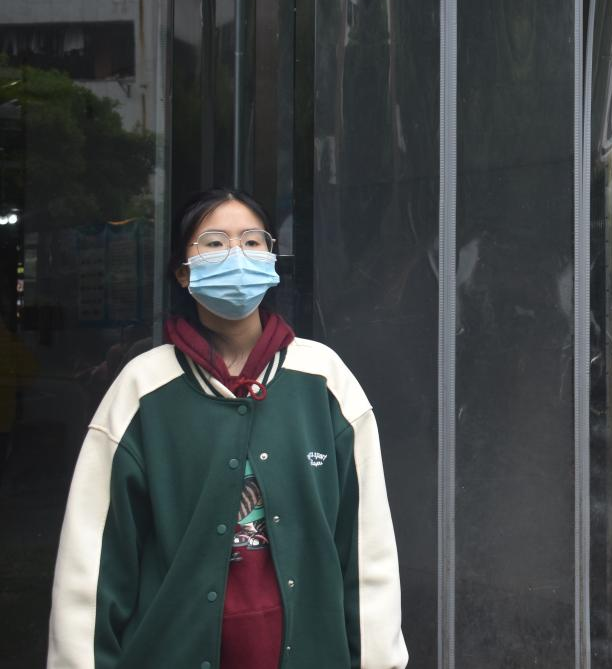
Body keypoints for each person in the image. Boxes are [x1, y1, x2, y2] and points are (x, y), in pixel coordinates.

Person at [48, 188, 408, 669]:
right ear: (183, 271)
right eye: (215, 243)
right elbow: (91, 561)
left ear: (272, 259)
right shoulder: (143, 388)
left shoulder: (324, 380)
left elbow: (368, 549)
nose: (237, 255)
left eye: (253, 242)